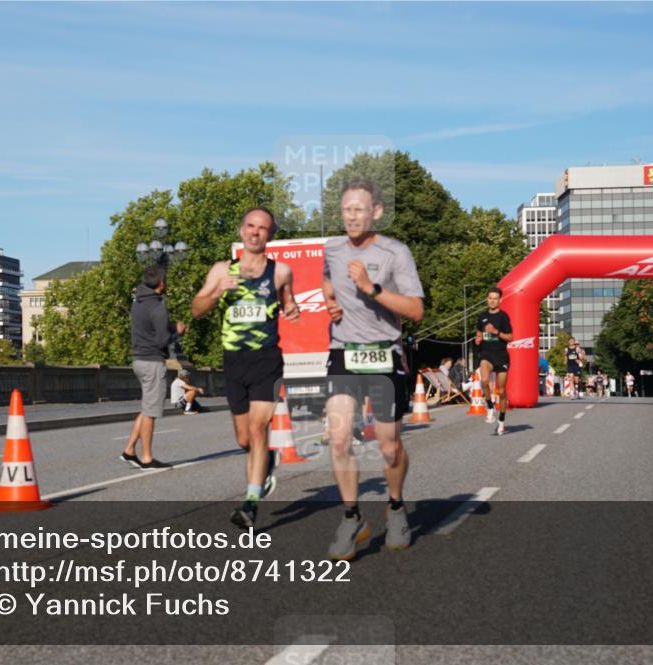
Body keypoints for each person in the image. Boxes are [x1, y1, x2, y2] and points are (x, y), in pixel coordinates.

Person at [321, 178, 425, 560]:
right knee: (338, 438)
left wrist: (372, 289)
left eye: (359, 209)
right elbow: (326, 282)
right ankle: (351, 518)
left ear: (376, 211)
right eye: (346, 208)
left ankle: (395, 506)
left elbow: (416, 310)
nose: (352, 215)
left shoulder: (396, 252)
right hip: (343, 352)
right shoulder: (331, 250)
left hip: (385, 354)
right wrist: (332, 302)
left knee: (389, 445)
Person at [192, 207, 299, 529]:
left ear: (270, 235)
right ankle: (265, 460)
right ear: (241, 231)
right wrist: (216, 291)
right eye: (250, 226)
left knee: (257, 429)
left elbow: (289, 301)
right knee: (243, 439)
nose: (255, 232)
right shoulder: (222, 270)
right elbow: (197, 310)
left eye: (262, 228)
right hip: (233, 360)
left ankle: (250, 505)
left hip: (266, 358)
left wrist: (291, 309)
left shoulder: (281, 272)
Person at [120, 265, 184, 469]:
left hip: (139, 360)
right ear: (162, 283)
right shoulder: (158, 307)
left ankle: (129, 451)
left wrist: (169, 327)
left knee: (147, 407)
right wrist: (178, 331)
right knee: (151, 412)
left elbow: (150, 330)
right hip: (152, 362)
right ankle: (147, 458)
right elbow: (162, 340)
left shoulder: (138, 303)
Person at [475, 287, 514, 435]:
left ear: (500, 300)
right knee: (484, 381)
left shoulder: (503, 317)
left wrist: (495, 332)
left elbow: (510, 338)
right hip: (486, 354)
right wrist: (478, 338)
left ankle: (502, 421)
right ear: (487, 299)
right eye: (490, 298)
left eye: (495, 298)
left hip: (501, 355)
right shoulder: (482, 316)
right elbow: (479, 333)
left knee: (502, 391)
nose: (492, 301)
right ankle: (490, 406)